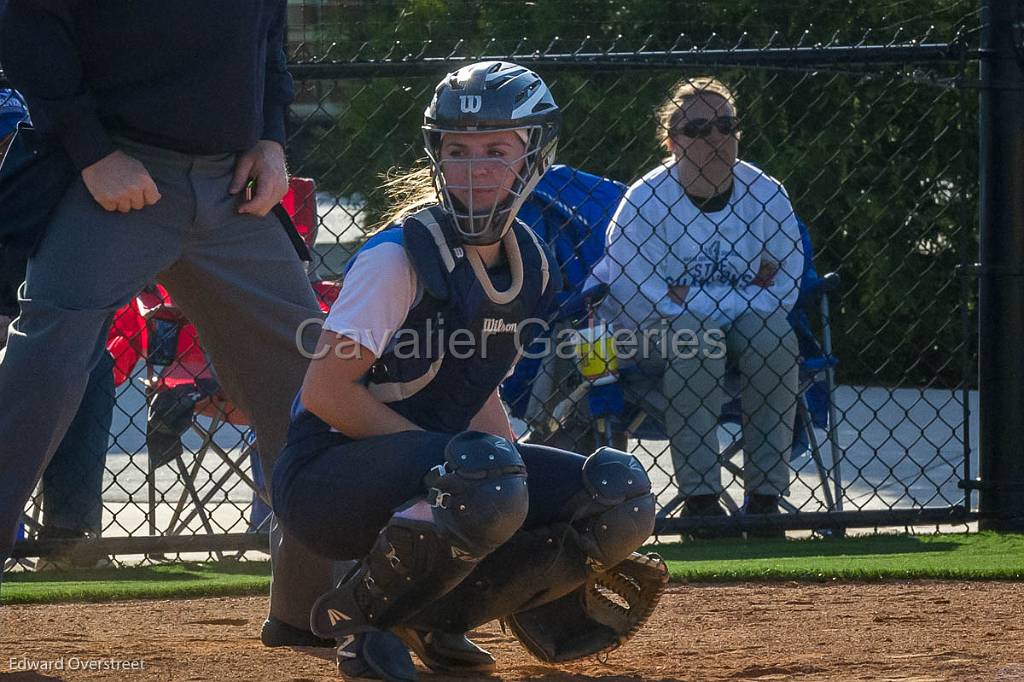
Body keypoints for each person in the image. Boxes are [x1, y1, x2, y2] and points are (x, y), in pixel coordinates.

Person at [272, 61, 656, 680]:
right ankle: (357, 620)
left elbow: (476, 391)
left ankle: (440, 618)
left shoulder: (531, 263)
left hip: (439, 468)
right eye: (458, 150)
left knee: (619, 494)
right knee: (484, 472)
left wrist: (520, 498)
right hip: (327, 479)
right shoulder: (400, 257)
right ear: (436, 157)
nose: (475, 168)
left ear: (534, 155)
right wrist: (471, 469)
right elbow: (324, 393)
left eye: (496, 150)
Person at [0, 1, 335, 644]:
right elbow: (26, 27)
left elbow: (265, 33)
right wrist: (92, 152)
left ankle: (313, 608)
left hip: (234, 188)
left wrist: (271, 138)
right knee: (35, 382)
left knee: (308, 387)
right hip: (115, 179)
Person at [592, 76, 803, 536]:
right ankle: (701, 502)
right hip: (648, 340)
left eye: (726, 125)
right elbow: (640, 294)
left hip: (740, 329)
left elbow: (785, 283)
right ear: (671, 142)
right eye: (699, 129)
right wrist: (739, 294)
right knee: (697, 336)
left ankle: (766, 502)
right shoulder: (645, 200)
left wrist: (693, 296)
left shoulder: (765, 193)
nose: (715, 138)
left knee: (772, 337)